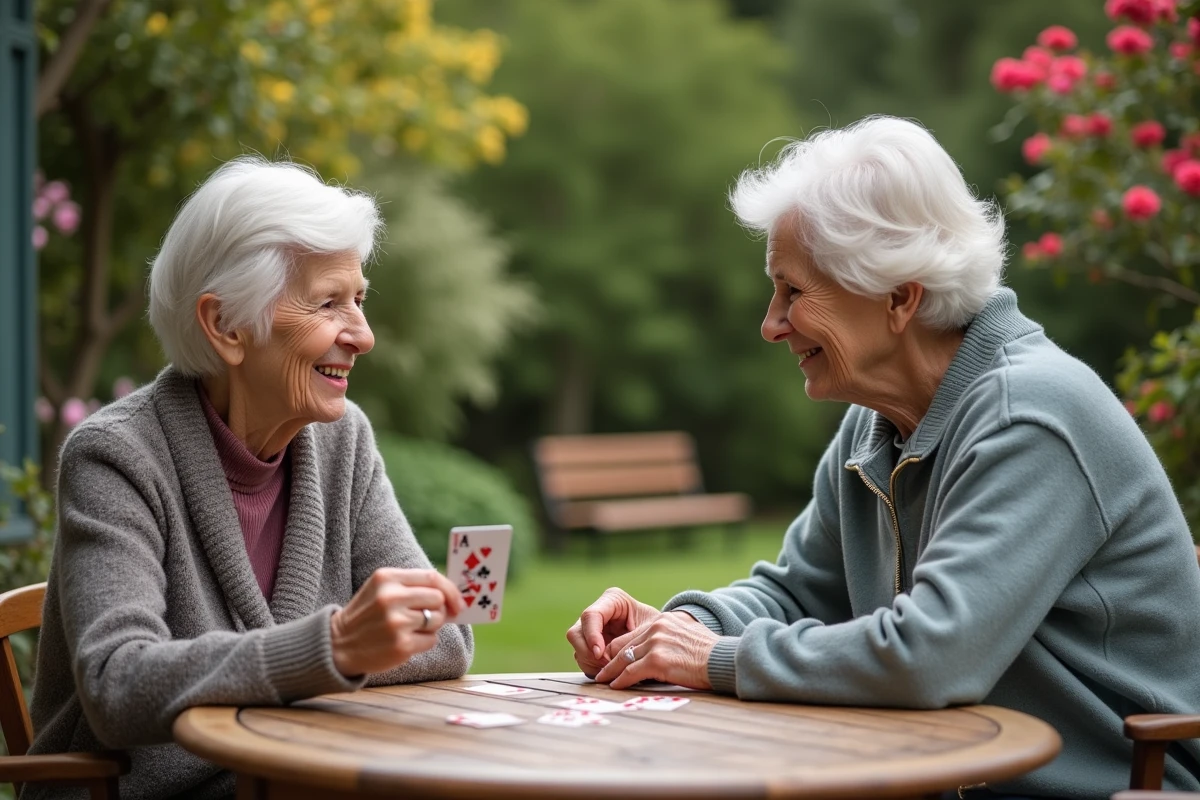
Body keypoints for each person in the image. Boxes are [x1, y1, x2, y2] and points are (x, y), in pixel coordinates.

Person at [566, 116, 1200, 799]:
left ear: (899, 298)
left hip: (1117, 788)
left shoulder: (1031, 417)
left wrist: (716, 659)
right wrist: (681, 627)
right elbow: (799, 589)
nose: (770, 323)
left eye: (795, 292)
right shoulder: (873, 424)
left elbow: (931, 658)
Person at [25, 157, 473, 799]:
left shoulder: (342, 439)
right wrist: (336, 648)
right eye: (328, 304)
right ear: (226, 325)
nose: (365, 336)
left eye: (359, 300)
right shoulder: (116, 457)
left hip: (286, 776)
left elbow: (445, 639)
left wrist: (342, 651)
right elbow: (117, 685)